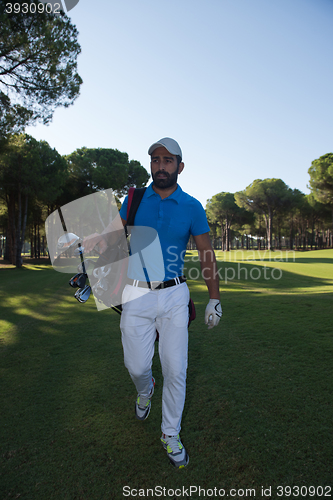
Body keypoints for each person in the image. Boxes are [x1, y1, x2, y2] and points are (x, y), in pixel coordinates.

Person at [84, 137, 222, 468]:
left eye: (168, 160)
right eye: (155, 160)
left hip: (175, 294)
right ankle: (145, 389)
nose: (161, 166)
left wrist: (214, 298)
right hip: (136, 294)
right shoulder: (134, 200)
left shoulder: (192, 206)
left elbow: (206, 253)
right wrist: (88, 242)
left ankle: (170, 434)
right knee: (137, 366)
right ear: (151, 165)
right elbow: (112, 237)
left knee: (177, 370)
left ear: (180, 166)